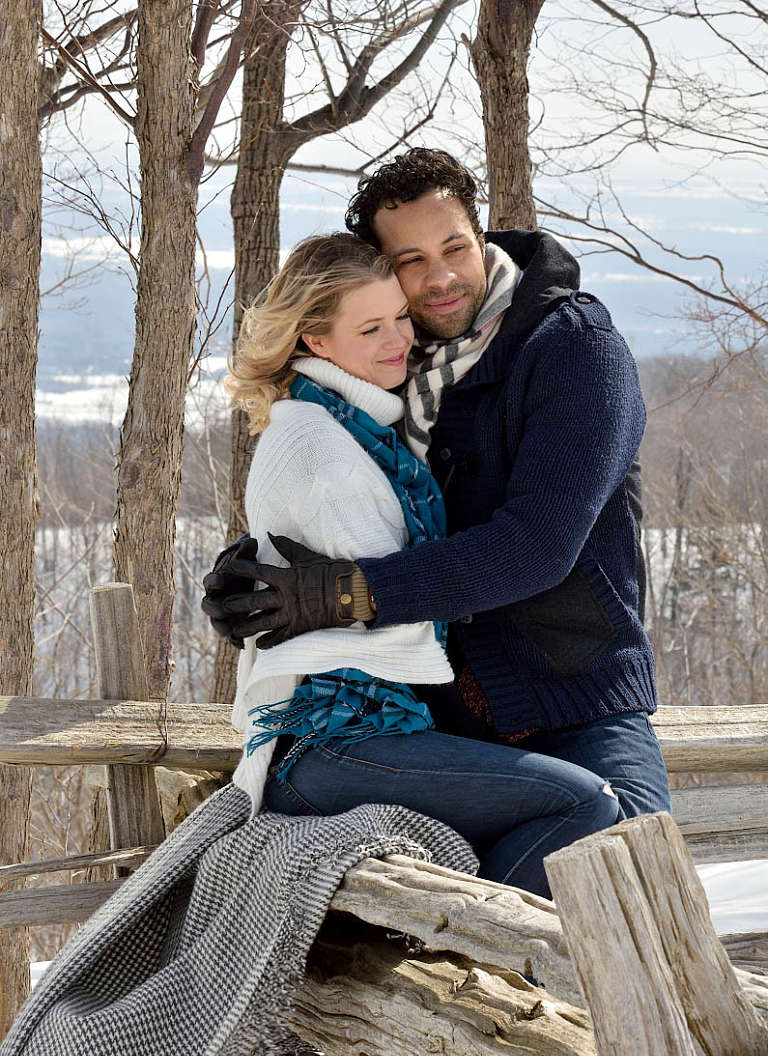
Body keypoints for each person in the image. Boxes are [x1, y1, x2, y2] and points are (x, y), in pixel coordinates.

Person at [203, 148, 671, 829]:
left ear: (480, 236)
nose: (442, 276)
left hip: (576, 699)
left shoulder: (573, 350)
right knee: (461, 913)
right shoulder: (400, 360)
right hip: (444, 716)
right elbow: (362, 492)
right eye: (410, 261)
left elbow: (535, 548)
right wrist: (257, 573)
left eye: (454, 245)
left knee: (635, 870)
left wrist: (345, 592)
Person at [221, 230, 620, 902]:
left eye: (400, 317)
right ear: (317, 341)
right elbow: (362, 610)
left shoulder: (355, 426)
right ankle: (465, 957)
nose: (397, 340)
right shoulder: (326, 449)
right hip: (335, 738)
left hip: (357, 734)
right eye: (370, 327)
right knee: (587, 805)